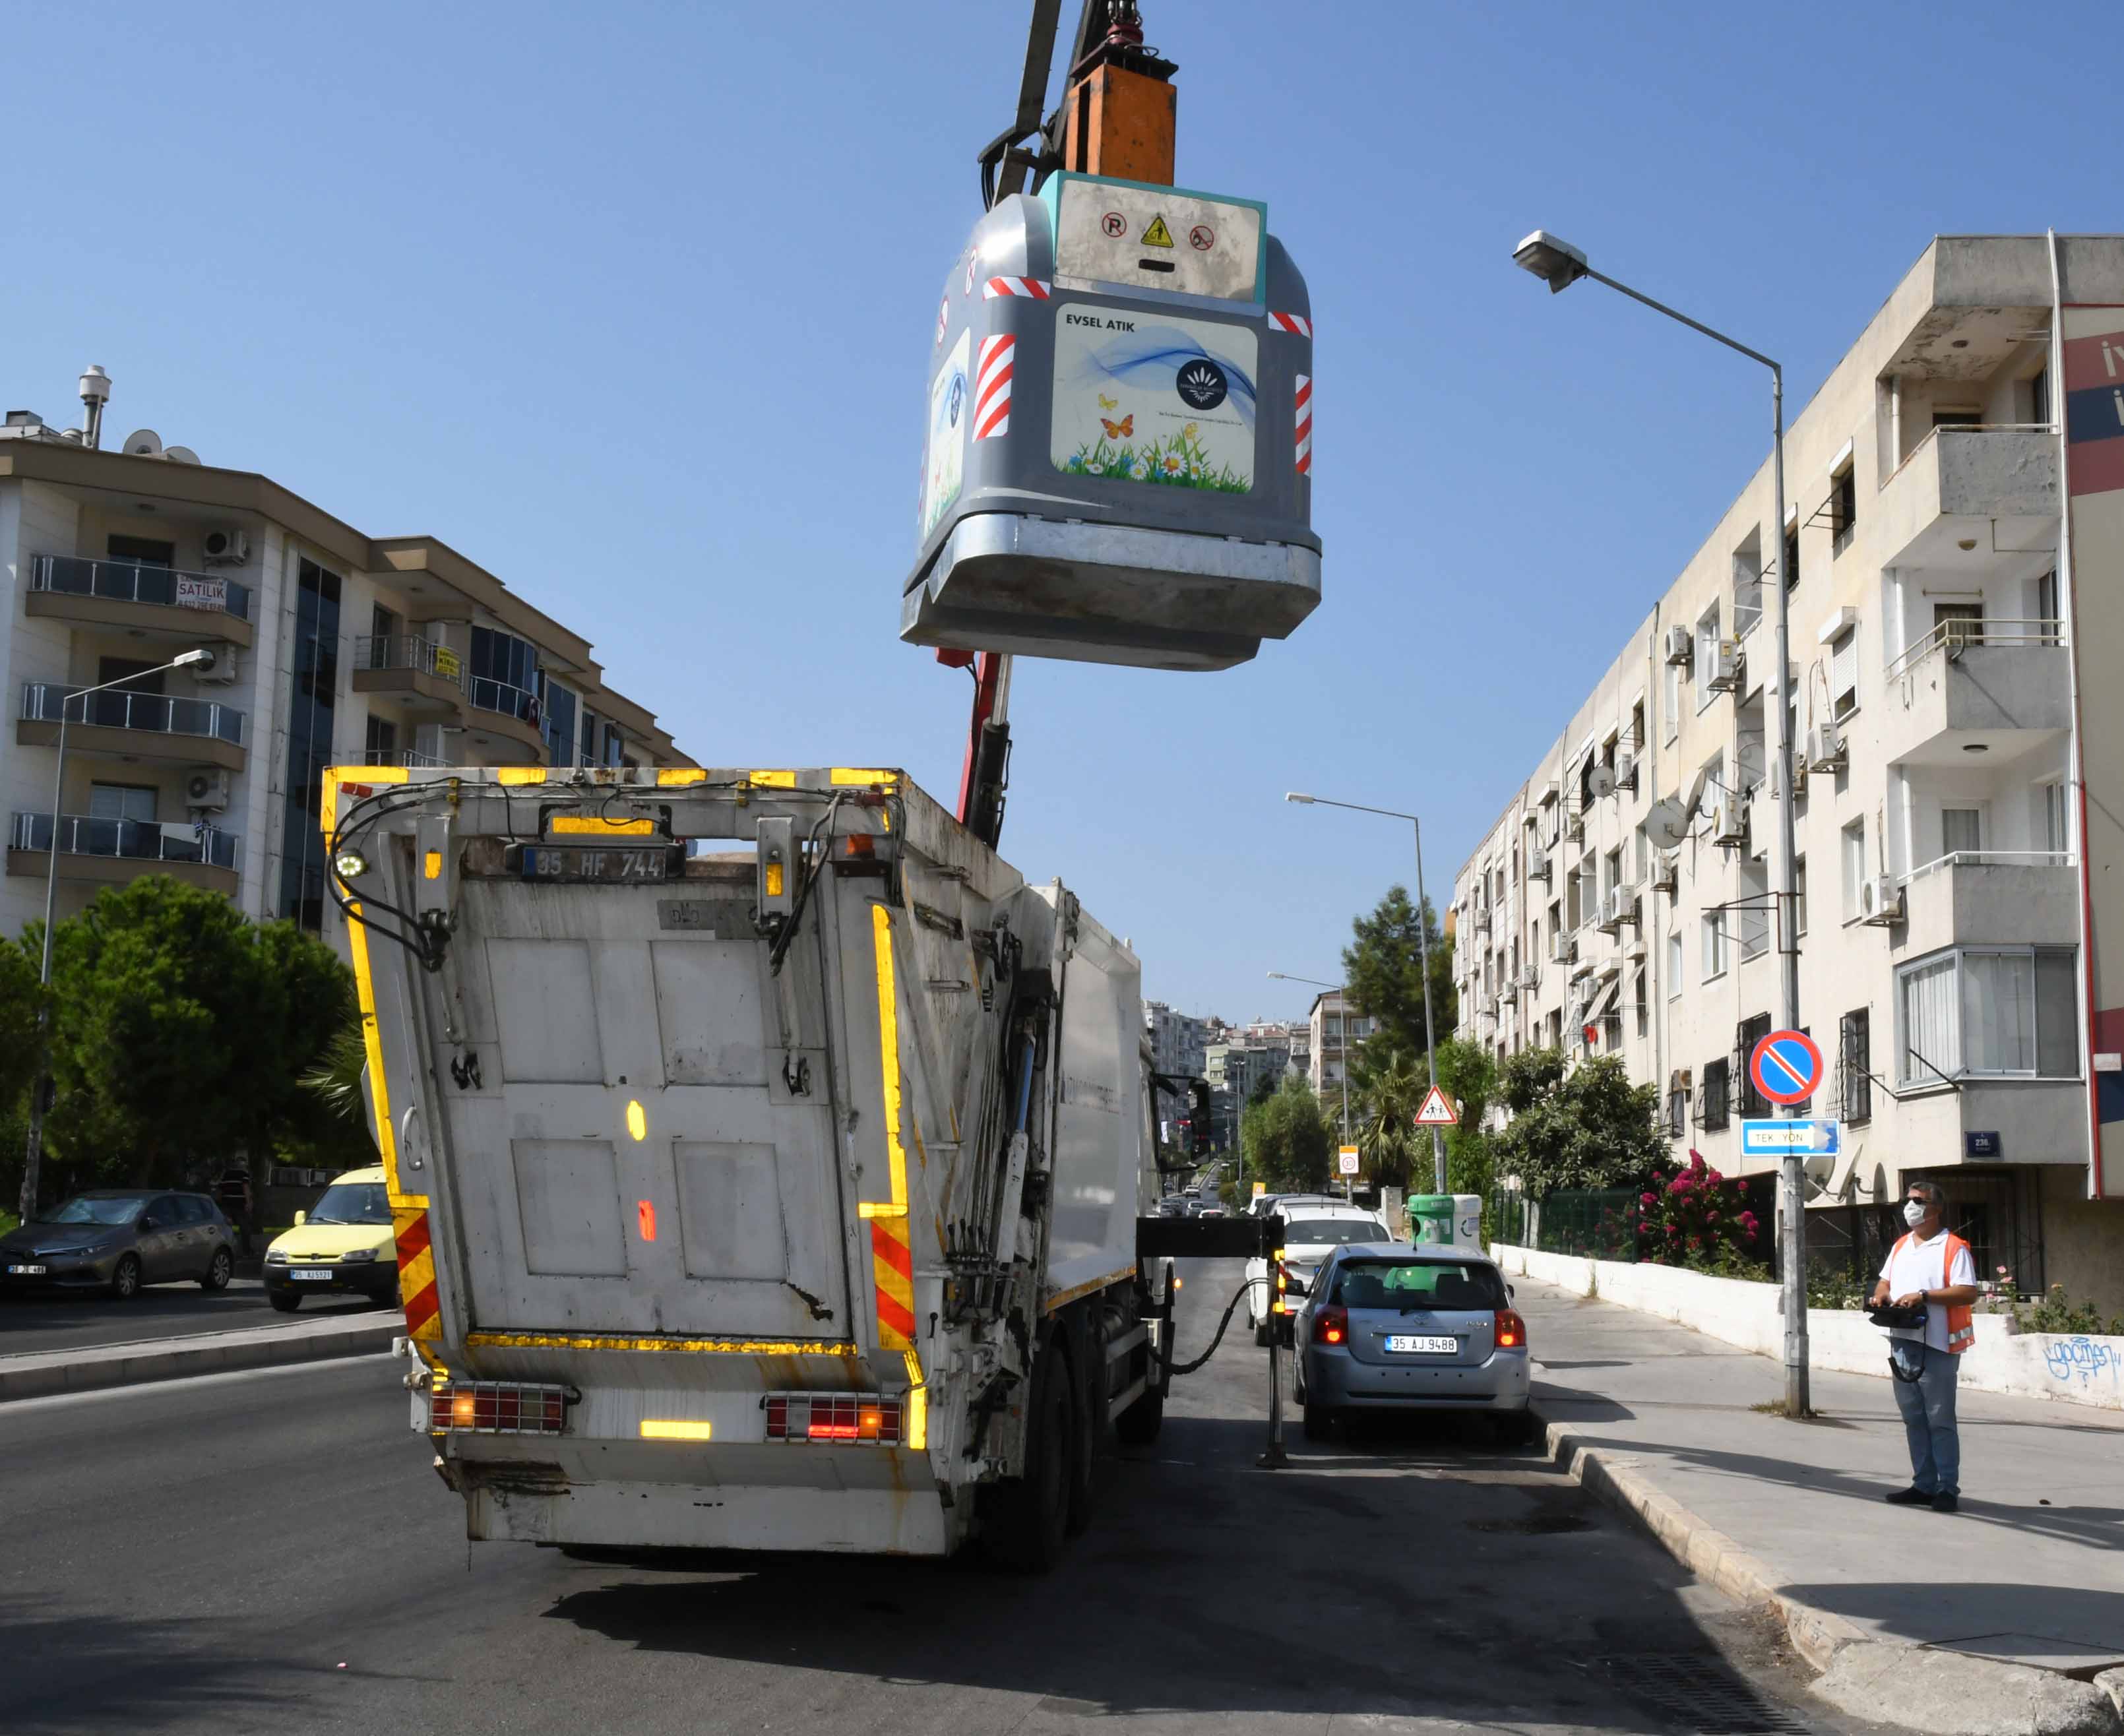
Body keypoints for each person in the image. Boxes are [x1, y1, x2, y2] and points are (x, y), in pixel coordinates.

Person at [1869, 1179, 1979, 1514]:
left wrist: (1925, 1296)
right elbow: (1885, 1279)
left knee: (1939, 1419)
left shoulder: (1953, 1247)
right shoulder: (1903, 1244)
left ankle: (1947, 1488)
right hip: (1903, 1340)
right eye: (1909, 1199)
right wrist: (1882, 1294)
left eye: (1918, 1200)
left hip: (1938, 1344)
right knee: (1913, 1417)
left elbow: (1967, 1291)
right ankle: (1923, 1484)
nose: (1911, 1205)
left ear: (1936, 1209)